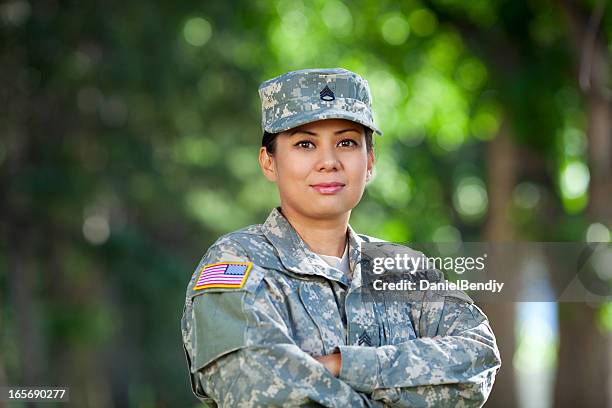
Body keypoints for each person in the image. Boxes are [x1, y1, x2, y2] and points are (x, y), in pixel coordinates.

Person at [181, 68, 501, 407]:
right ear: (268, 162)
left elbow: (478, 358)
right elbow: (265, 393)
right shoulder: (237, 263)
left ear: (371, 161)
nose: (329, 162)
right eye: (305, 144)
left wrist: (342, 365)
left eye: (346, 143)